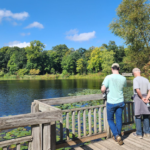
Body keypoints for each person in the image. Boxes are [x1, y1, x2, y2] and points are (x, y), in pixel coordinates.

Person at [101, 63, 127, 145]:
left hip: (111, 102)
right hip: (120, 102)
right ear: (119, 69)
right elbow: (124, 87)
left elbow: (102, 89)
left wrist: (105, 91)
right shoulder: (123, 78)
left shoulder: (108, 77)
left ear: (112, 69)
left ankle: (116, 135)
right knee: (119, 119)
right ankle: (118, 136)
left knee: (110, 119)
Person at [132, 68, 150, 138]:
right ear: (140, 72)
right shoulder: (146, 79)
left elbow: (137, 90)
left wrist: (142, 98)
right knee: (146, 115)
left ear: (134, 73)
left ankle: (139, 133)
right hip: (146, 97)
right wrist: (147, 98)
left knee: (138, 116)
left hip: (138, 98)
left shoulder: (135, 79)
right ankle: (147, 132)